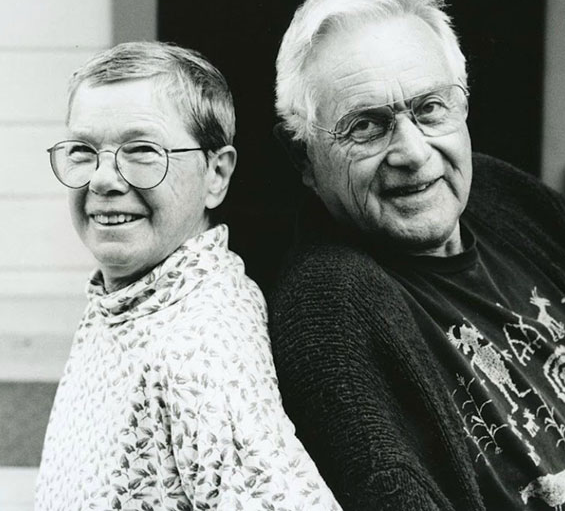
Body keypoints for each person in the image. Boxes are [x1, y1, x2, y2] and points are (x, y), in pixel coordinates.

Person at [269, 0, 565, 511]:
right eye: (367, 126)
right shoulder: (326, 310)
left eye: (429, 109)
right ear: (303, 159)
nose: (413, 152)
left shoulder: (504, 199)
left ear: (462, 107)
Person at [35, 41, 342, 511]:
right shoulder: (136, 293)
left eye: (141, 150)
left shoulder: (201, 348)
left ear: (215, 175)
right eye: (83, 150)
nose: (102, 179)